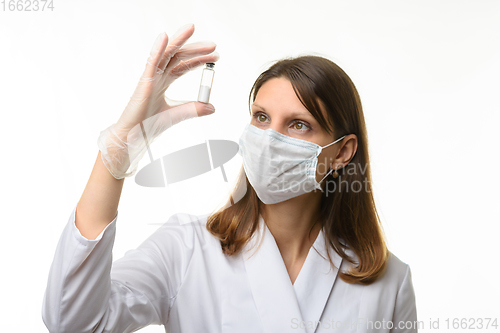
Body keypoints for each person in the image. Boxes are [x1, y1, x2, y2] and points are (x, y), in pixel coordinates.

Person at [42, 23, 418, 333]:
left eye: (299, 125)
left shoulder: (389, 282)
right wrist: (116, 154)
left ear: (342, 152)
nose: (270, 139)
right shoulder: (186, 249)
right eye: (261, 117)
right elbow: (73, 322)